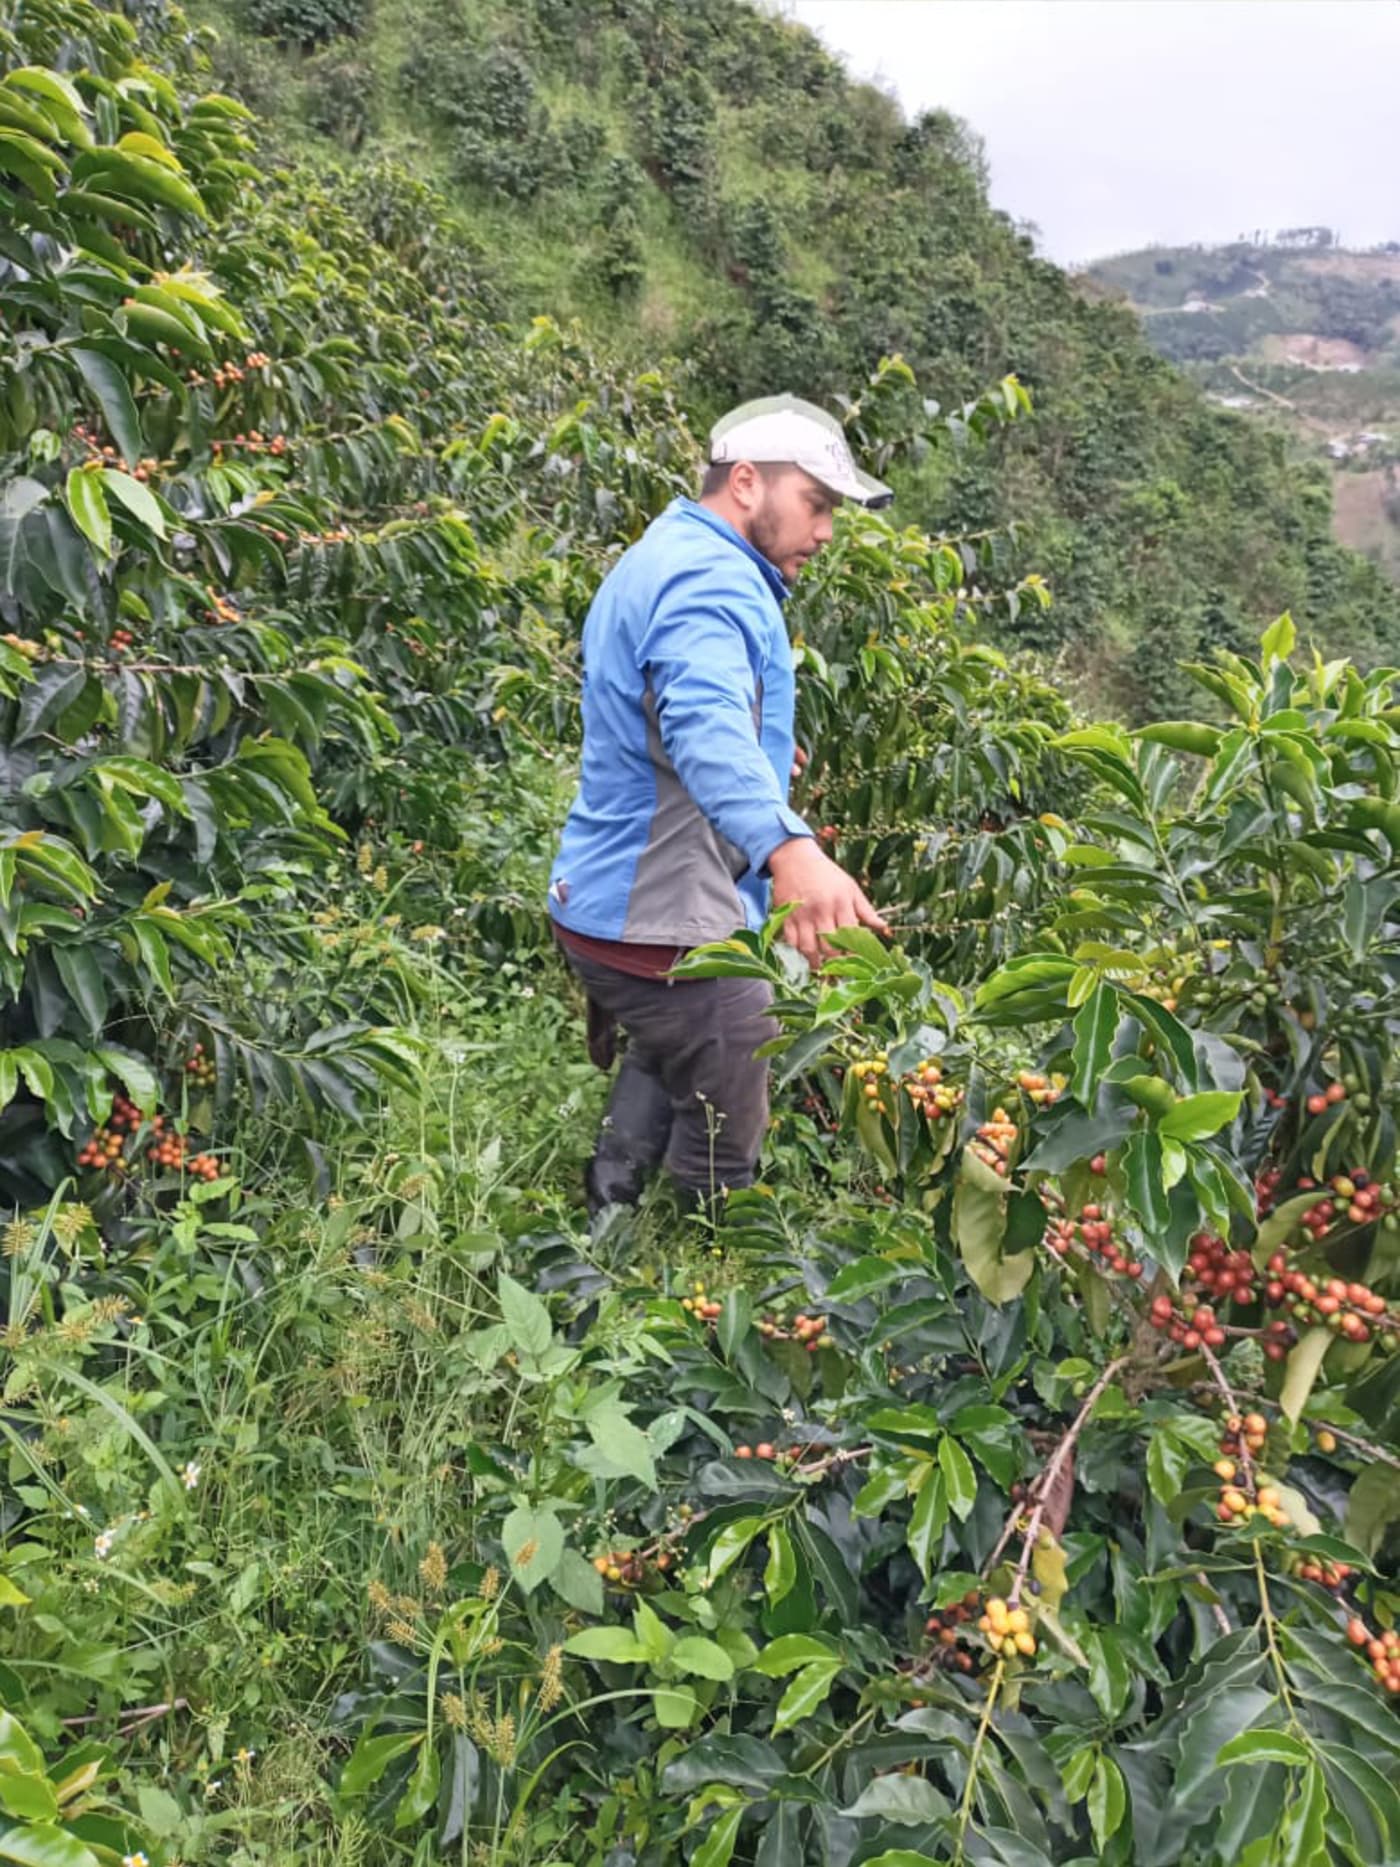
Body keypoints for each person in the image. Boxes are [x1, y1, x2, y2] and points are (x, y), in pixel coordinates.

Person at [548, 393, 892, 1215]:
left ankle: (609, 1210)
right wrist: (791, 847)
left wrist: (766, 748)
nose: (826, 532)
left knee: (674, 1043)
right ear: (745, 482)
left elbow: (678, 709)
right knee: (733, 1057)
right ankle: (704, 1262)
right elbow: (703, 725)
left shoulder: (669, 551)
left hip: (605, 894)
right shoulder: (710, 579)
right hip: (656, 918)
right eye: (816, 504)